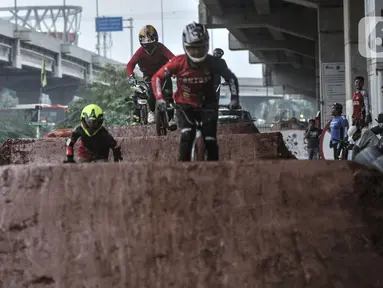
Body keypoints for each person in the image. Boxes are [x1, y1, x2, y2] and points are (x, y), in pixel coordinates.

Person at [151, 22, 240, 161]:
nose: (197, 53)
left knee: (210, 140)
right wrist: (159, 97)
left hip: (208, 105)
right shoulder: (177, 62)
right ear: (185, 47)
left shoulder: (214, 62)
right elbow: (157, 77)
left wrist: (234, 98)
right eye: (193, 49)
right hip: (184, 105)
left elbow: (231, 78)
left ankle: (214, 171)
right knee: (186, 135)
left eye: (201, 48)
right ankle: (184, 170)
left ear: (207, 46)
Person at [126, 25, 175, 125]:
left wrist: (175, 70)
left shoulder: (161, 48)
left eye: (151, 42)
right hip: (149, 76)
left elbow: (173, 58)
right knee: (150, 94)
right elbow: (130, 64)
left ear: (156, 39)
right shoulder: (140, 52)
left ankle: (171, 118)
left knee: (168, 95)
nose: (149, 47)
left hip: (164, 75)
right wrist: (131, 76)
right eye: (146, 43)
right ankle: (151, 112)